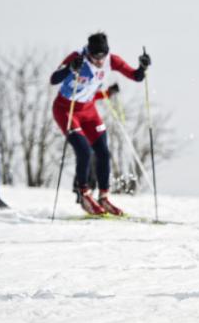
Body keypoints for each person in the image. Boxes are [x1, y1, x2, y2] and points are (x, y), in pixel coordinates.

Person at [50, 32, 150, 216]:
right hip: (66, 109)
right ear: (88, 52)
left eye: (102, 56)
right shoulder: (77, 57)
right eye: (95, 57)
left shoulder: (111, 60)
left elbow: (136, 76)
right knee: (83, 150)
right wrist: (70, 69)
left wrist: (143, 67)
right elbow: (53, 79)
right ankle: (84, 194)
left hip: (88, 110)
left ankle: (104, 197)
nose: (99, 61)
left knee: (103, 152)